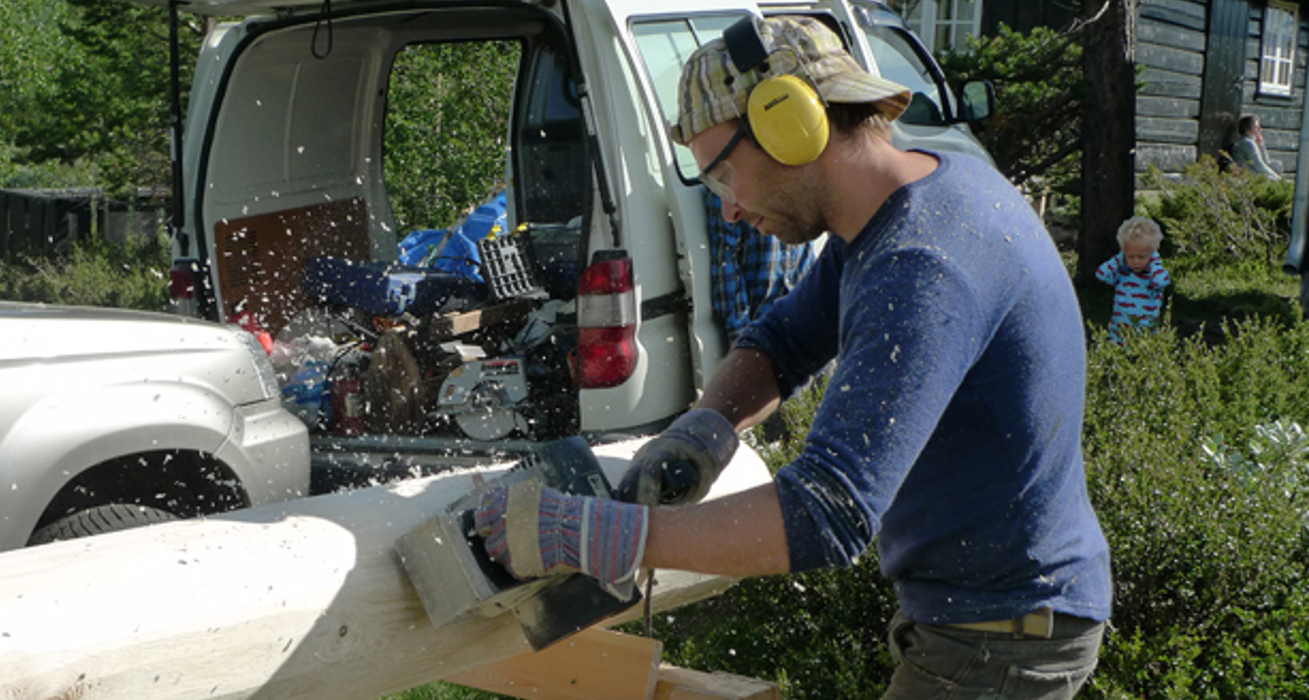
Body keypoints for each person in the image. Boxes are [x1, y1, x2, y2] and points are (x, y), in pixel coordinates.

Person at [473, 15, 1111, 700]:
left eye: (723, 175)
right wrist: (704, 429)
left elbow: (827, 514)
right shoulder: (911, 204)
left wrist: (609, 534)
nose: (729, 211)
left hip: (1003, 640)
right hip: (993, 615)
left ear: (792, 126)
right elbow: (783, 342)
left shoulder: (924, 264)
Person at [706, 187, 814, 348]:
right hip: (761, 316)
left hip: (803, 309)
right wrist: (739, 331)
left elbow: (806, 247)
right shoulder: (725, 186)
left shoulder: (792, 175)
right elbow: (725, 261)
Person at [1095, 216, 1171, 343]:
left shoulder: (1155, 275)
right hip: (1119, 335)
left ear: (1153, 253)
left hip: (1145, 337)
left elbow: (1161, 282)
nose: (1136, 262)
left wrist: (1155, 261)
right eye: (1131, 256)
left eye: (1142, 257)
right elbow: (1101, 274)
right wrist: (1120, 258)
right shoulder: (1122, 275)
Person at [1230, 114, 1282, 180]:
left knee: (1276, 165)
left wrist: (1261, 145)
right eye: (1256, 128)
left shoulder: (1251, 142)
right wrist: (1276, 177)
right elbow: (1259, 165)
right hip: (1247, 176)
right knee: (1272, 178)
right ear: (1248, 130)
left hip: (1253, 172)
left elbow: (1266, 162)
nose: (1260, 130)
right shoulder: (1247, 143)